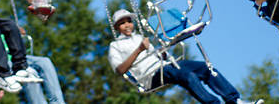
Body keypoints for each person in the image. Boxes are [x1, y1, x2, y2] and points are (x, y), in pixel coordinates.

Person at [108, 9, 262, 104]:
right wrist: (139, 50)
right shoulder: (115, 46)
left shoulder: (139, 37)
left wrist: (163, 51)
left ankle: (234, 100)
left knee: (203, 67)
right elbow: (119, 69)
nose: (127, 25)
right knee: (185, 74)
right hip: (149, 76)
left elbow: (159, 56)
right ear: (116, 27)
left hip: (164, 67)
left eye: (129, 21)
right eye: (122, 23)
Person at [0, 26, 66, 104]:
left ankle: (58, 102)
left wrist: (16, 33)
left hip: (12, 59)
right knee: (27, 73)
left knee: (44, 62)